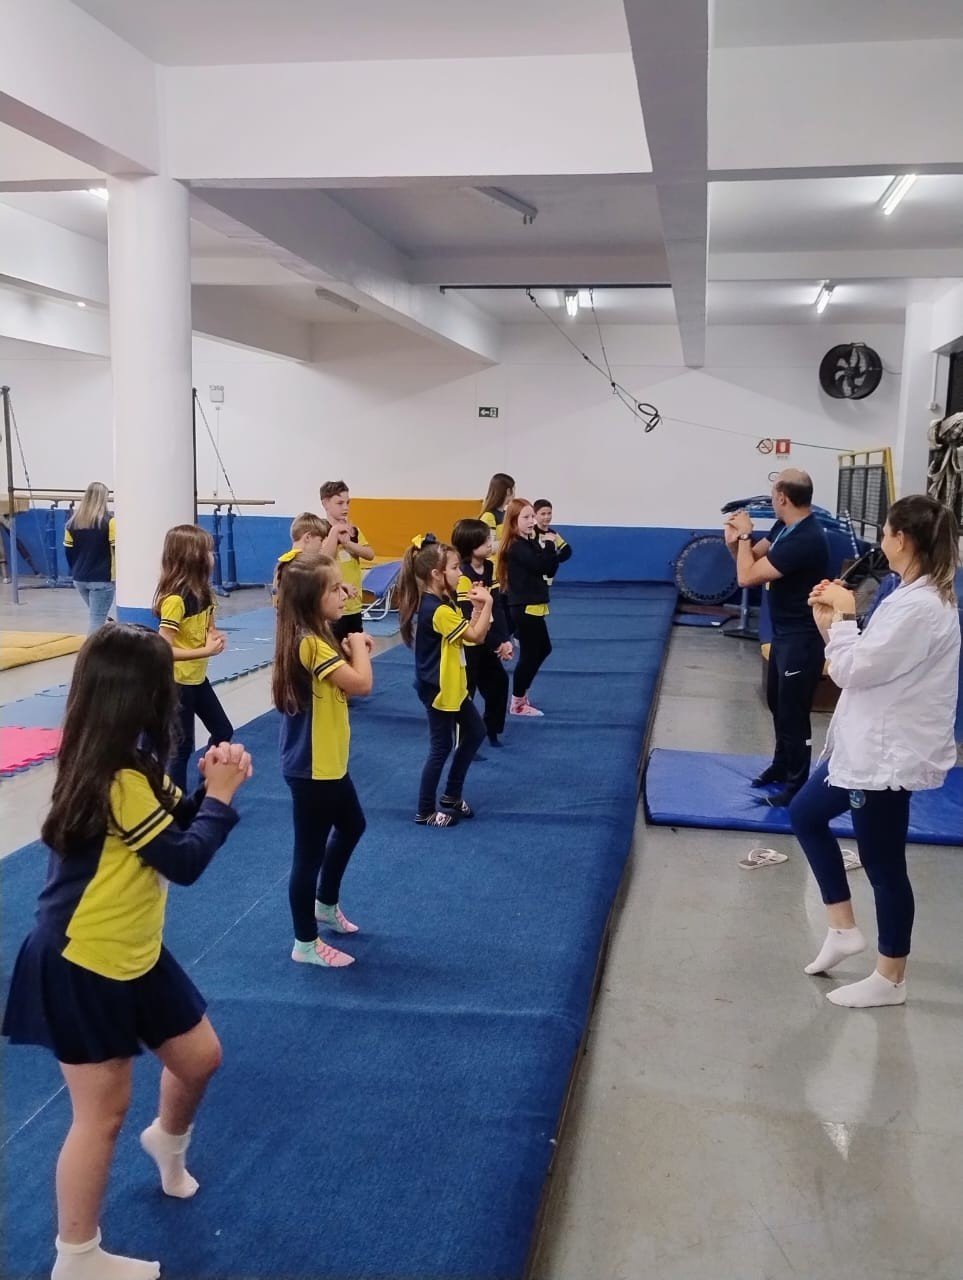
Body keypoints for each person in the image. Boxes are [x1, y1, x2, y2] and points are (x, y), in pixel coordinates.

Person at [1, 624, 250, 1280]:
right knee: (102, 1114)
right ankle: (76, 1257)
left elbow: (169, 832)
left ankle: (166, 1139)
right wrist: (222, 800)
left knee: (199, 1057)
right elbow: (183, 861)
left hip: (132, 951)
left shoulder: (128, 762)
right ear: (142, 696)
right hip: (85, 961)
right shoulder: (116, 778)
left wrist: (208, 791)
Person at [787, 495, 960, 1008]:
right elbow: (863, 658)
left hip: (886, 756)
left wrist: (843, 617)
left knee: (883, 864)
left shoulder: (922, 607)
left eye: (885, 533)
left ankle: (891, 977)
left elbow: (852, 670)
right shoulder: (906, 595)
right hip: (865, 745)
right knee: (806, 814)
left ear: (900, 539)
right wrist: (830, 620)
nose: (881, 541)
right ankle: (843, 929)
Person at [273, 553, 373, 968]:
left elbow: (342, 682)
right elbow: (361, 684)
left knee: (353, 825)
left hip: (328, 761)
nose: (344, 593)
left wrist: (349, 649)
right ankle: (305, 942)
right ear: (312, 598)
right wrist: (359, 646)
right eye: (334, 589)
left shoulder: (317, 634)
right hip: (312, 768)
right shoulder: (310, 642)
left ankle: (325, 904)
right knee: (308, 855)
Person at [725, 469, 830, 805]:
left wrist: (745, 536)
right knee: (777, 703)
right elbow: (751, 562)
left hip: (803, 637)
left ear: (782, 497)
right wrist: (735, 542)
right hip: (783, 634)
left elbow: (746, 578)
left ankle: (797, 785)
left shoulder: (806, 538)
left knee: (794, 712)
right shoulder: (784, 527)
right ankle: (781, 765)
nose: (771, 499)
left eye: (773, 493)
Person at [397, 534, 493, 827]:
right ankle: (424, 810)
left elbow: (467, 637)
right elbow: (476, 636)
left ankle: (451, 795)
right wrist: (488, 602)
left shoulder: (443, 602)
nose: (460, 572)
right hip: (438, 688)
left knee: (476, 732)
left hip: (452, 685)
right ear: (436, 574)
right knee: (441, 747)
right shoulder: (436, 610)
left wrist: (478, 609)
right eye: (454, 568)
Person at [153, 525, 234, 792]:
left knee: (223, 730)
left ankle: (207, 785)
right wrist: (205, 651)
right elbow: (163, 649)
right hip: (177, 682)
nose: (213, 556)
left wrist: (214, 636)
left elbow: (208, 627)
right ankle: (176, 801)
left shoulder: (205, 593)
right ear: (192, 557)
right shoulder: (175, 601)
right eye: (207, 551)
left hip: (197, 679)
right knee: (182, 746)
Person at [451, 518, 514, 749]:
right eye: (485, 540)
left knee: (499, 682)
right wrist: (496, 643)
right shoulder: (463, 575)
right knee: (466, 691)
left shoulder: (489, 567)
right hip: (468, 642)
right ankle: (462, 740)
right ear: (470, 545)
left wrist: (505, 639)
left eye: (490, 538)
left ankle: (491, 729)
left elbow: (496, 606)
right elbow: (470, 616)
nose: (490, 544)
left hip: (487, 639)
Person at [498, 498, 558, 717]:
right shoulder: (516, 546)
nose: (532, 521)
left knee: (542, 649)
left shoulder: (529, 542)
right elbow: (541, 565)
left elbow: (549, 569)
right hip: (524, 608)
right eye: (526, 517)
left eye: (533, 516)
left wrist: (550, 548)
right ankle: (517, 702)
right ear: (514, 521)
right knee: (531, 654)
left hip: (533, 605)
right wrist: (549, 545)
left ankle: (521, 695)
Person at [319, 480, 374, 643]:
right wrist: (335, 535)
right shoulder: (321, 530)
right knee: (335, 648)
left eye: (347, 503)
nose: (345, 508)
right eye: (340, 503)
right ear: (325, 503)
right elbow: (323, 560)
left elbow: (370, 554)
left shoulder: (353, 530)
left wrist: (348, 543)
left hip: (354, 604)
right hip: (332, 605)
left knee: (356, 647)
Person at [63, 482, 116, 633]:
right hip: (102, 579)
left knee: (97, 617)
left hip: (80, 578)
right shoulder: (110, 522)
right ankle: (91, 648)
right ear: (103, 499)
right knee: (97, 620)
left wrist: (76, 570)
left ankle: (102, 644)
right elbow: (116, 550)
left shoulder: (71, 524)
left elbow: (68, 552)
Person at [272, 511, 330, 601]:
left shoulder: (284, 563)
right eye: (320, 540)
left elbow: (276, 600)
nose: (321, 546)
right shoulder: (302, 567)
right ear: (308, 537)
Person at [533, 499, 572, 585]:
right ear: (535, 515)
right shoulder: (531, 532)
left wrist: (554, 560)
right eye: (543, 514)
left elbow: (567, 550)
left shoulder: (554, 534)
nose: (547, 517)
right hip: (532, 578)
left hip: (547, 579)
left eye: (549, 513)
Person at [479, 472, 516, 554]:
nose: (515, 495)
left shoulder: (507, 514)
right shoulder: (489, 516)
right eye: (514, 490)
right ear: (508, 491)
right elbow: (489, 547)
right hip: (494, 561)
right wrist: (511, 542)